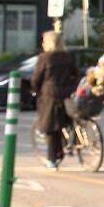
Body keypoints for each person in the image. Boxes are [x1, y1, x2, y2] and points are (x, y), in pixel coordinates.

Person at [31, 30, 78, 170]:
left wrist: (35, 89)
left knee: (51, 127)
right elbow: (75, 73)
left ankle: (52, 159)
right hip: (66, 93)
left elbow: (36, 78)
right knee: (64, 123)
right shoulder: (66, 57)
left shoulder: (45, 58)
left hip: (50, 95)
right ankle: (64, 148)